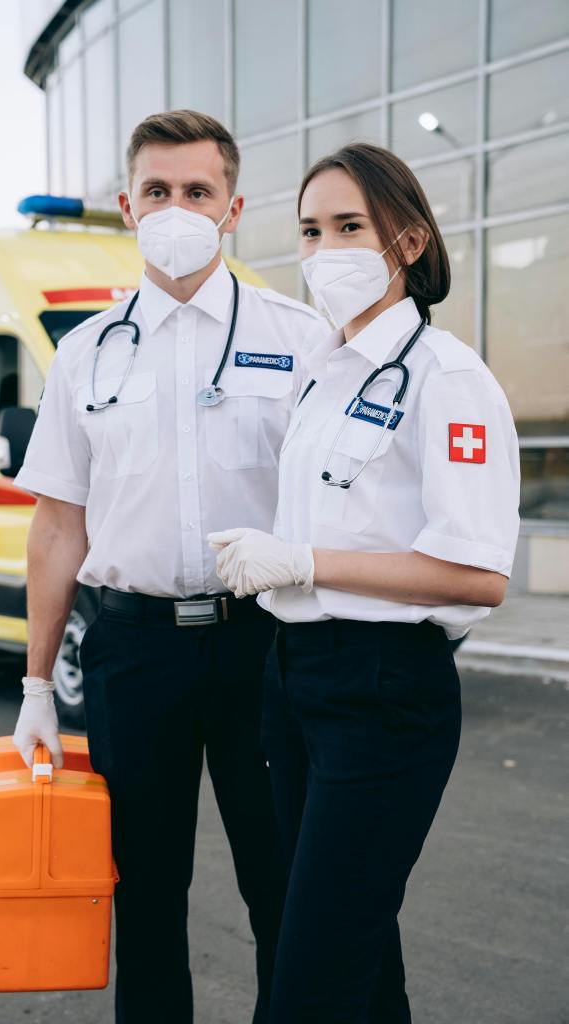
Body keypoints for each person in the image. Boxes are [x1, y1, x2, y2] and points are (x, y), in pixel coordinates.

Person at [11, 109, 329, 1024]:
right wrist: (38, 685)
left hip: (265, 650)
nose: (178, 206)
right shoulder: (85, 353)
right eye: (159, 191)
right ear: (127, 207)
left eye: (198, 191)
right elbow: (57, 525)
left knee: (284, 890)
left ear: (233, 208)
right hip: (133, 655)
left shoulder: (302, 339)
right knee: (146, 896)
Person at [209, 142, 520, 1023]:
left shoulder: (446, 378)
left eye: (350, 227)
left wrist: (307, 564)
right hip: (293, 677)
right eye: (309, 230)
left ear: (409, 241)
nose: (324, 250)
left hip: (385, 691)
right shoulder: (323, 375)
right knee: (358, 962)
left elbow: (475, 574)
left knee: (308, 985)